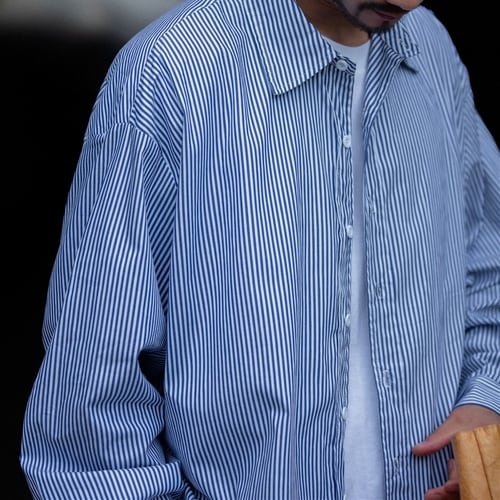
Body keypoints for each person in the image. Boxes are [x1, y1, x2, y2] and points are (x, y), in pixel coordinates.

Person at [20, 0, 500, 498]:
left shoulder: (430, 49)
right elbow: (94, 393)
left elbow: (489, 266)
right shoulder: (170, 71)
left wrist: (486, 400)